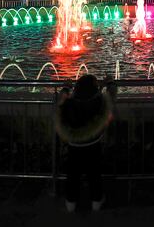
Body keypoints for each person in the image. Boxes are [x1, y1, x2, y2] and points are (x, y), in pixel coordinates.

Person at [56, 75, 116, 213]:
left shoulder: (70, 104)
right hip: (93, 145)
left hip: (74, 146)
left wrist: (65, 88)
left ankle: (70, 202)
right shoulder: (98, 103)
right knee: (94, 173)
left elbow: (59, 105)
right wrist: (110, 83)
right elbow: (111, 97)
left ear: (76, 89)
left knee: (72, 174)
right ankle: (97, 201)